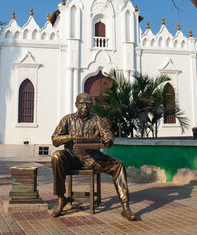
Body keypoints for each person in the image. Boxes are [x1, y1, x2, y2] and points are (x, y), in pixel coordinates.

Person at [50, 92, 137, 221]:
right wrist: (70, 137)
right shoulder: (67, 120)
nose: (85, 106)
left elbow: (108, 135)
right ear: (76, 104)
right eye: (82, 104)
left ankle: (125, 206)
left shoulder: (97, 120)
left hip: (93, 158)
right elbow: (55, 139)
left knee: (118, 165)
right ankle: (61, 198)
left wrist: (109, 139)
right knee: (56, 157)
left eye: (88, 104)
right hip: (72, 158)